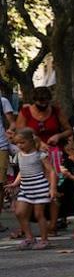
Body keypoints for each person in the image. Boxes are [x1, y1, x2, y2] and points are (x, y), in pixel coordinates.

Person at [15, 86, 71, 233]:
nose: (43, 104)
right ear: (34, 100)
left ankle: (53, 224)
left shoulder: (56, 111)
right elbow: (20, 133)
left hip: (53, 154)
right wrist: (38, 142)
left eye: (46, 101)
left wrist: (58, 136)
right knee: (32, 189)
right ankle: (26, 226)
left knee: (53, 189)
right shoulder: (26, 112)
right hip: (33, 154)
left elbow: (68, 129)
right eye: (40, 102)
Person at [6, 128, 55, 249]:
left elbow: (52, 171)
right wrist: (15, 183)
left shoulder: (40, 155)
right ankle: (29, 238)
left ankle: (44, 240)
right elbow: (22, 172)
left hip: (39, 188)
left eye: (22, 142)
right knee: (19, 212)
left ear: (31, 141)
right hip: (25, 188)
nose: (19, 145)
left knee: (39, 214)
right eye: (17, 143)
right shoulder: (19, 155)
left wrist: (52, 188)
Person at [0, 89, 14, 231]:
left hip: (0, 145)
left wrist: (10, 132)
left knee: (0, 184)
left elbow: (12, 123)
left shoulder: (2, 101)